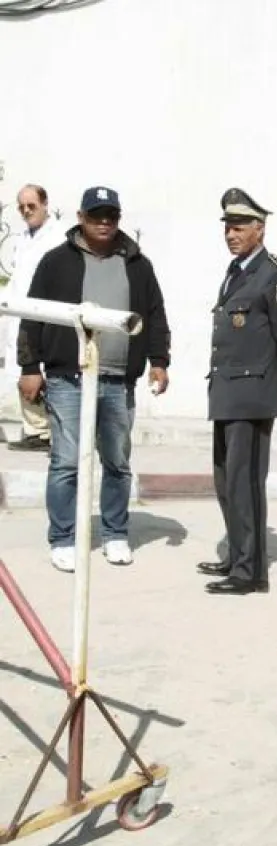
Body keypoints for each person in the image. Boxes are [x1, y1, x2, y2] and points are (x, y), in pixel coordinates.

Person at [17, 186, 170, 573]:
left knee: (117, 462)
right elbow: (33, 315)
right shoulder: (56, 262)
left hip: (119, 381)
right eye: (96, 215)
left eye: (111, 216)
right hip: (69, 379)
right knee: (66, 462)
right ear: (81, 218)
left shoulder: (138, 263)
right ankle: (64, 537)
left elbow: (154, 313)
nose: (104, 223)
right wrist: (30, 368)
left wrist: (159, 360)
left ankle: (116, 532)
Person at [197, 188, 277, 596]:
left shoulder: (274, 275)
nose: (231, 233)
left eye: (240, 226)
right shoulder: (238, 270)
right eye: (228, 226)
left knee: (246, 482)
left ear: (260, 228)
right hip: (227, 391)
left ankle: (251, 572)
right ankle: (237, 554)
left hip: (255, 392)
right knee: (226, 481)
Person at [4, 183, 66, 452]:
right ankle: (35, 431)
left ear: (45, 204)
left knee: (46, 371)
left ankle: (55, 432)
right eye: (22, 207)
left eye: (32, 206)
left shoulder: (58, 236)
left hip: (46, 311)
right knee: (24, 369)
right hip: (21, 312)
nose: (27, 211)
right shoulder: (22, 239)